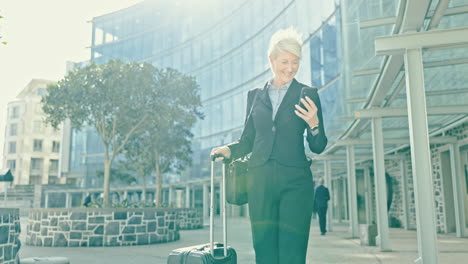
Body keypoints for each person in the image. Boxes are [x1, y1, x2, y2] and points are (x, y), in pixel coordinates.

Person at [210, 28, 327, 264]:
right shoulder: (255, 96)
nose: (290, 68)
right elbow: (248, 141)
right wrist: (228, 150)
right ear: (271, 60)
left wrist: (314, 124)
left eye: (295, 62)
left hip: (295, 181)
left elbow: (318, 145)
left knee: (292, 252)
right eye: (285, 61)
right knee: (264, 251)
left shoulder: (308, 94)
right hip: (260, 181)